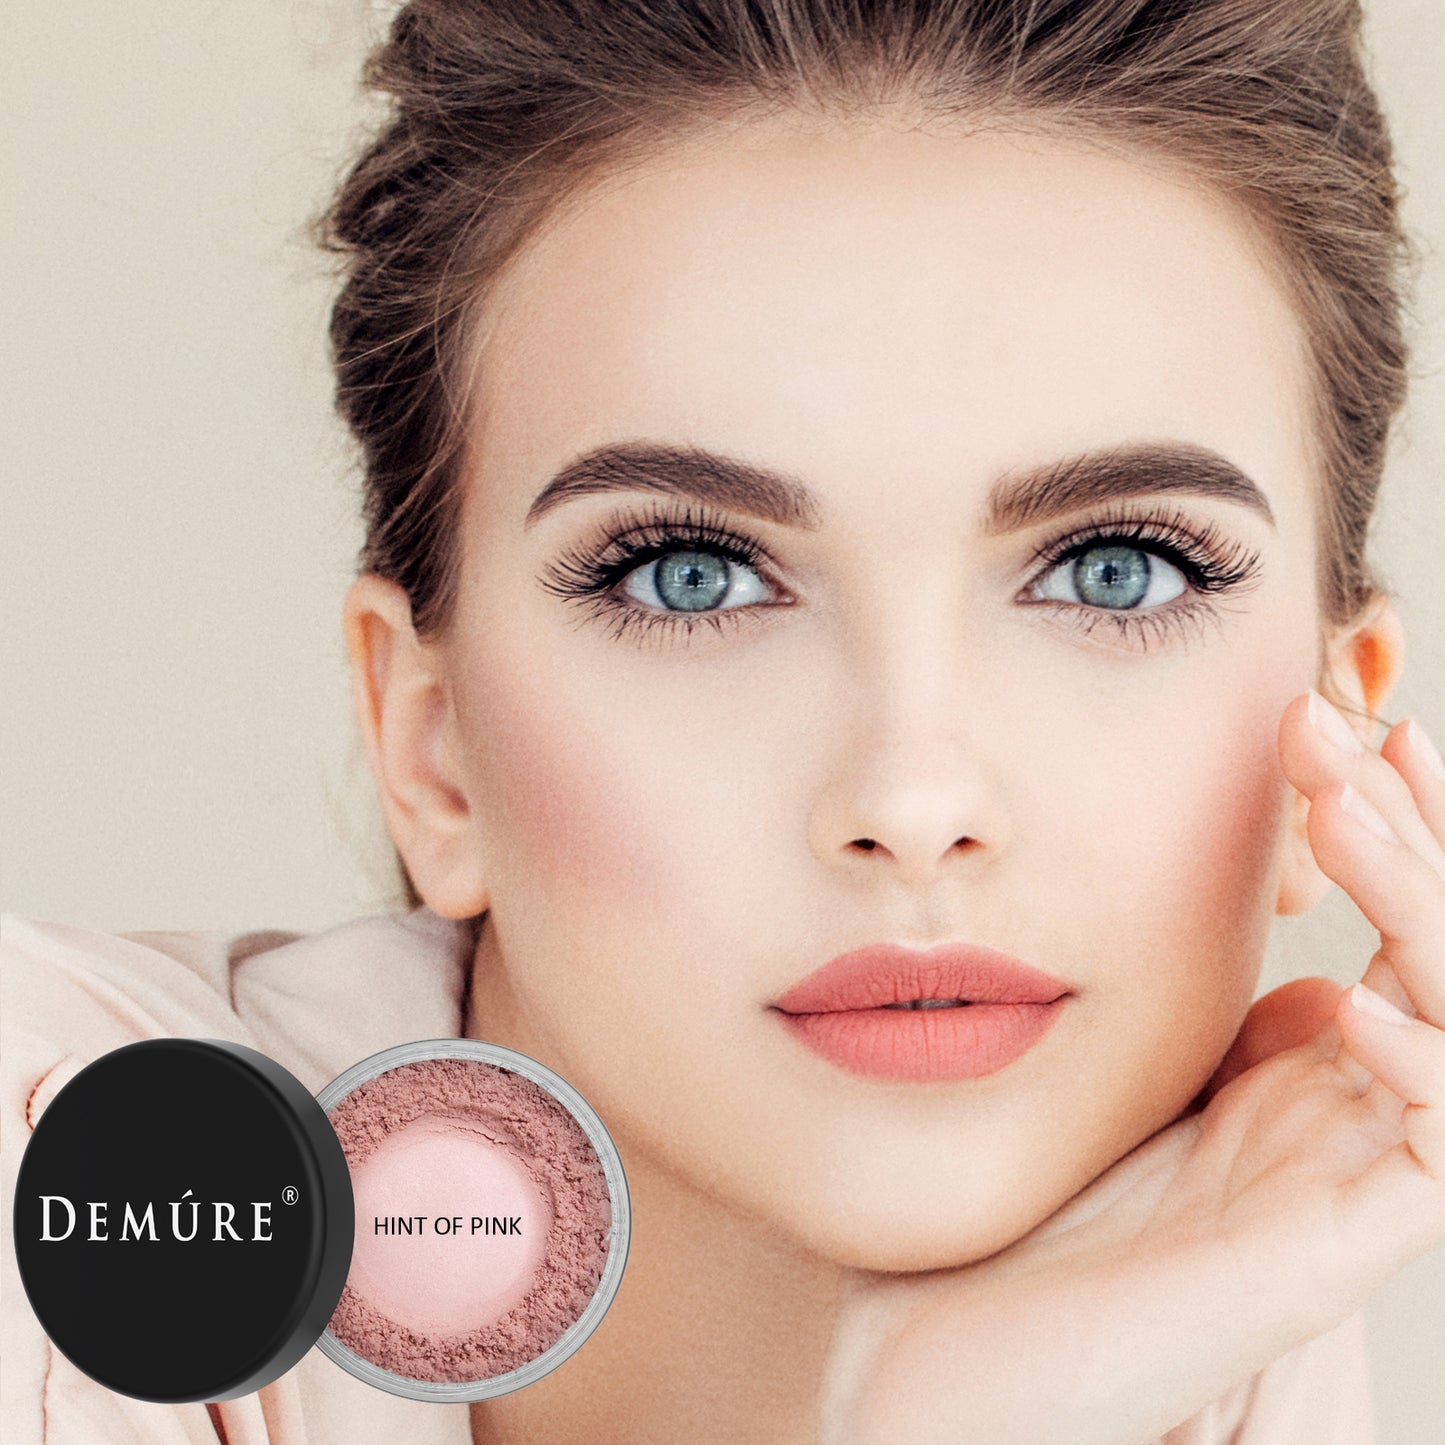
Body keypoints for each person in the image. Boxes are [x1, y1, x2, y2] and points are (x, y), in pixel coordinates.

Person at [4, 2, 1443, 1442]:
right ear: (427, 748)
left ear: (1338, 730)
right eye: (690, 578)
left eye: (1112, 570)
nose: (915, 792)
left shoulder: (1241, 1293)